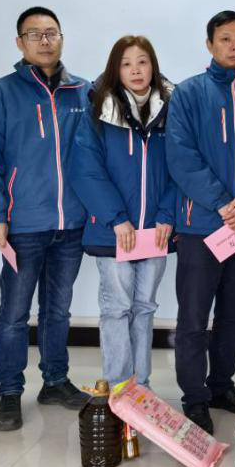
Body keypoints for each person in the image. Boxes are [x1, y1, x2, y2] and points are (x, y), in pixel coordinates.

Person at [0, 6, 91, 431]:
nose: (45, 40)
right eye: (35, 34)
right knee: (15, 313)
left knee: (58, 310)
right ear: (19, 42)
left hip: (72, 224)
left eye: (51, 32)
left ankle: (55, 381)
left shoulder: (84, 92)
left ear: (62, 38)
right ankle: (9, 391)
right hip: (21, 225)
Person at [166, 10, 235, 435]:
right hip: (200, 226)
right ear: (209, 45)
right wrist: (222, 202)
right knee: (194, 317)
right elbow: (181, 157)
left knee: (234, 313)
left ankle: (220, 384)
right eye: (226, 38)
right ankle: (194, 396)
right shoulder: (188, 94)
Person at [70, 36, 175, 388]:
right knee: (117, 308)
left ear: (153, 66)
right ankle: (119, 387)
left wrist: (167, 215)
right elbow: (85, 170)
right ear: (115, 69)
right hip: (114, 232)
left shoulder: (171, 110)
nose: (135, 70)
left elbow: (180, 168)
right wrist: (117, 219)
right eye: (126, 63)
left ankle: (140, 387)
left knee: (145, 308)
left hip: (155, 232)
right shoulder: (98, 111)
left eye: (142, 62)